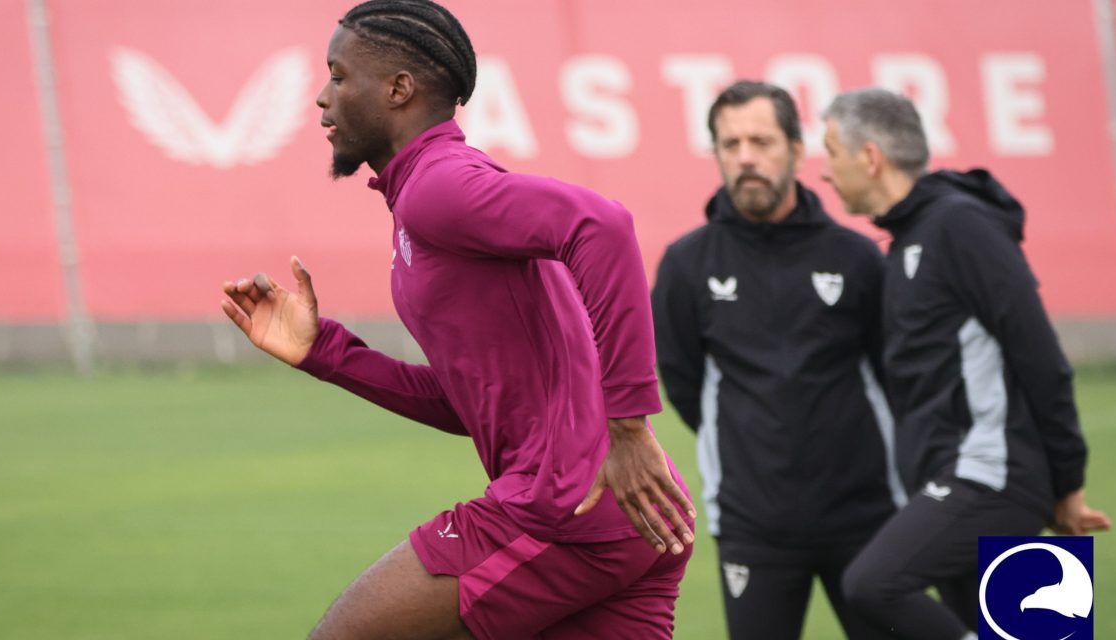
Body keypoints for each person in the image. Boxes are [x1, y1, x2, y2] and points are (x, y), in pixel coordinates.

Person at [219, 2, 696, 638]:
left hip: (566, 507)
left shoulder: (438, 187)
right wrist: (326, 352)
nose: (320, 99)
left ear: (397, 89)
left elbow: (602, 225)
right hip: (627, 514)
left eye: (337, 77)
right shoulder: (423, 199)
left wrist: (628, 427)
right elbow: (469, 401)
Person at [819, 87, 1112, 640]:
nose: (825, 172)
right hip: (955, 482)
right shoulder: (907, 240)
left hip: (990, 479)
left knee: (871, 583)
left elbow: (1040, 355)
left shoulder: (959, 225)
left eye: (831, 151)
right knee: (1039, 632)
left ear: (871, 157)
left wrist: (1067, 483)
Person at [651, 80, 904, 640]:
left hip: (865, 517)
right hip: (753, 523)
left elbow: (895, 380)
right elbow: (686, 385)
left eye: (761, 141)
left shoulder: (857, 258)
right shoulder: (686, 267)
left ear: (795, 147)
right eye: (730, 143)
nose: (746, 158)